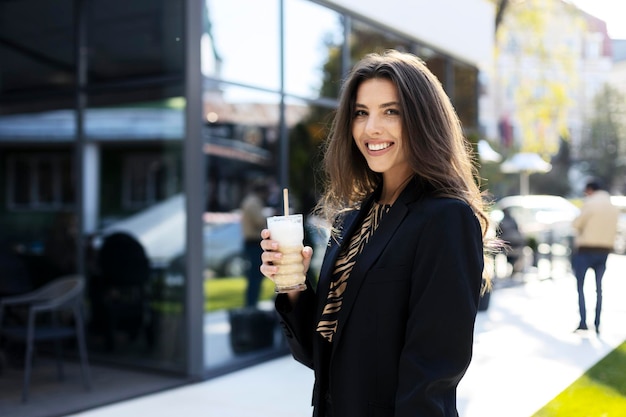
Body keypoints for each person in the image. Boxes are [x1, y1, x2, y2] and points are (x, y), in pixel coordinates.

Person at [260, 50, 493, 417]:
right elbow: (318, 354)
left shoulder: (446, 218)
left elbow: (432, 375)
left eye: (390, 111)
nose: (371, 129)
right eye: (361, 113)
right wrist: (292, 285)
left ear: (422, 120)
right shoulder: (351, 220)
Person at [571, 179, 619, 334]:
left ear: (590, 190)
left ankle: (583, 322)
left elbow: (577, 224)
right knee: (599, 288)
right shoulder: (612, 207)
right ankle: (597, 323)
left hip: (586, 250)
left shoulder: (590, 204)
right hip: (604, 250)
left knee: (581, 287)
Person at [241, 179, 270, 307]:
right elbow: (259, 221)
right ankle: (251, 304)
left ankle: (252, 303)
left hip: (251, 242)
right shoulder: (253, 202)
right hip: (254, 242)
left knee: (254, 275)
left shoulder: (249, 201)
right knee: (255, 275)